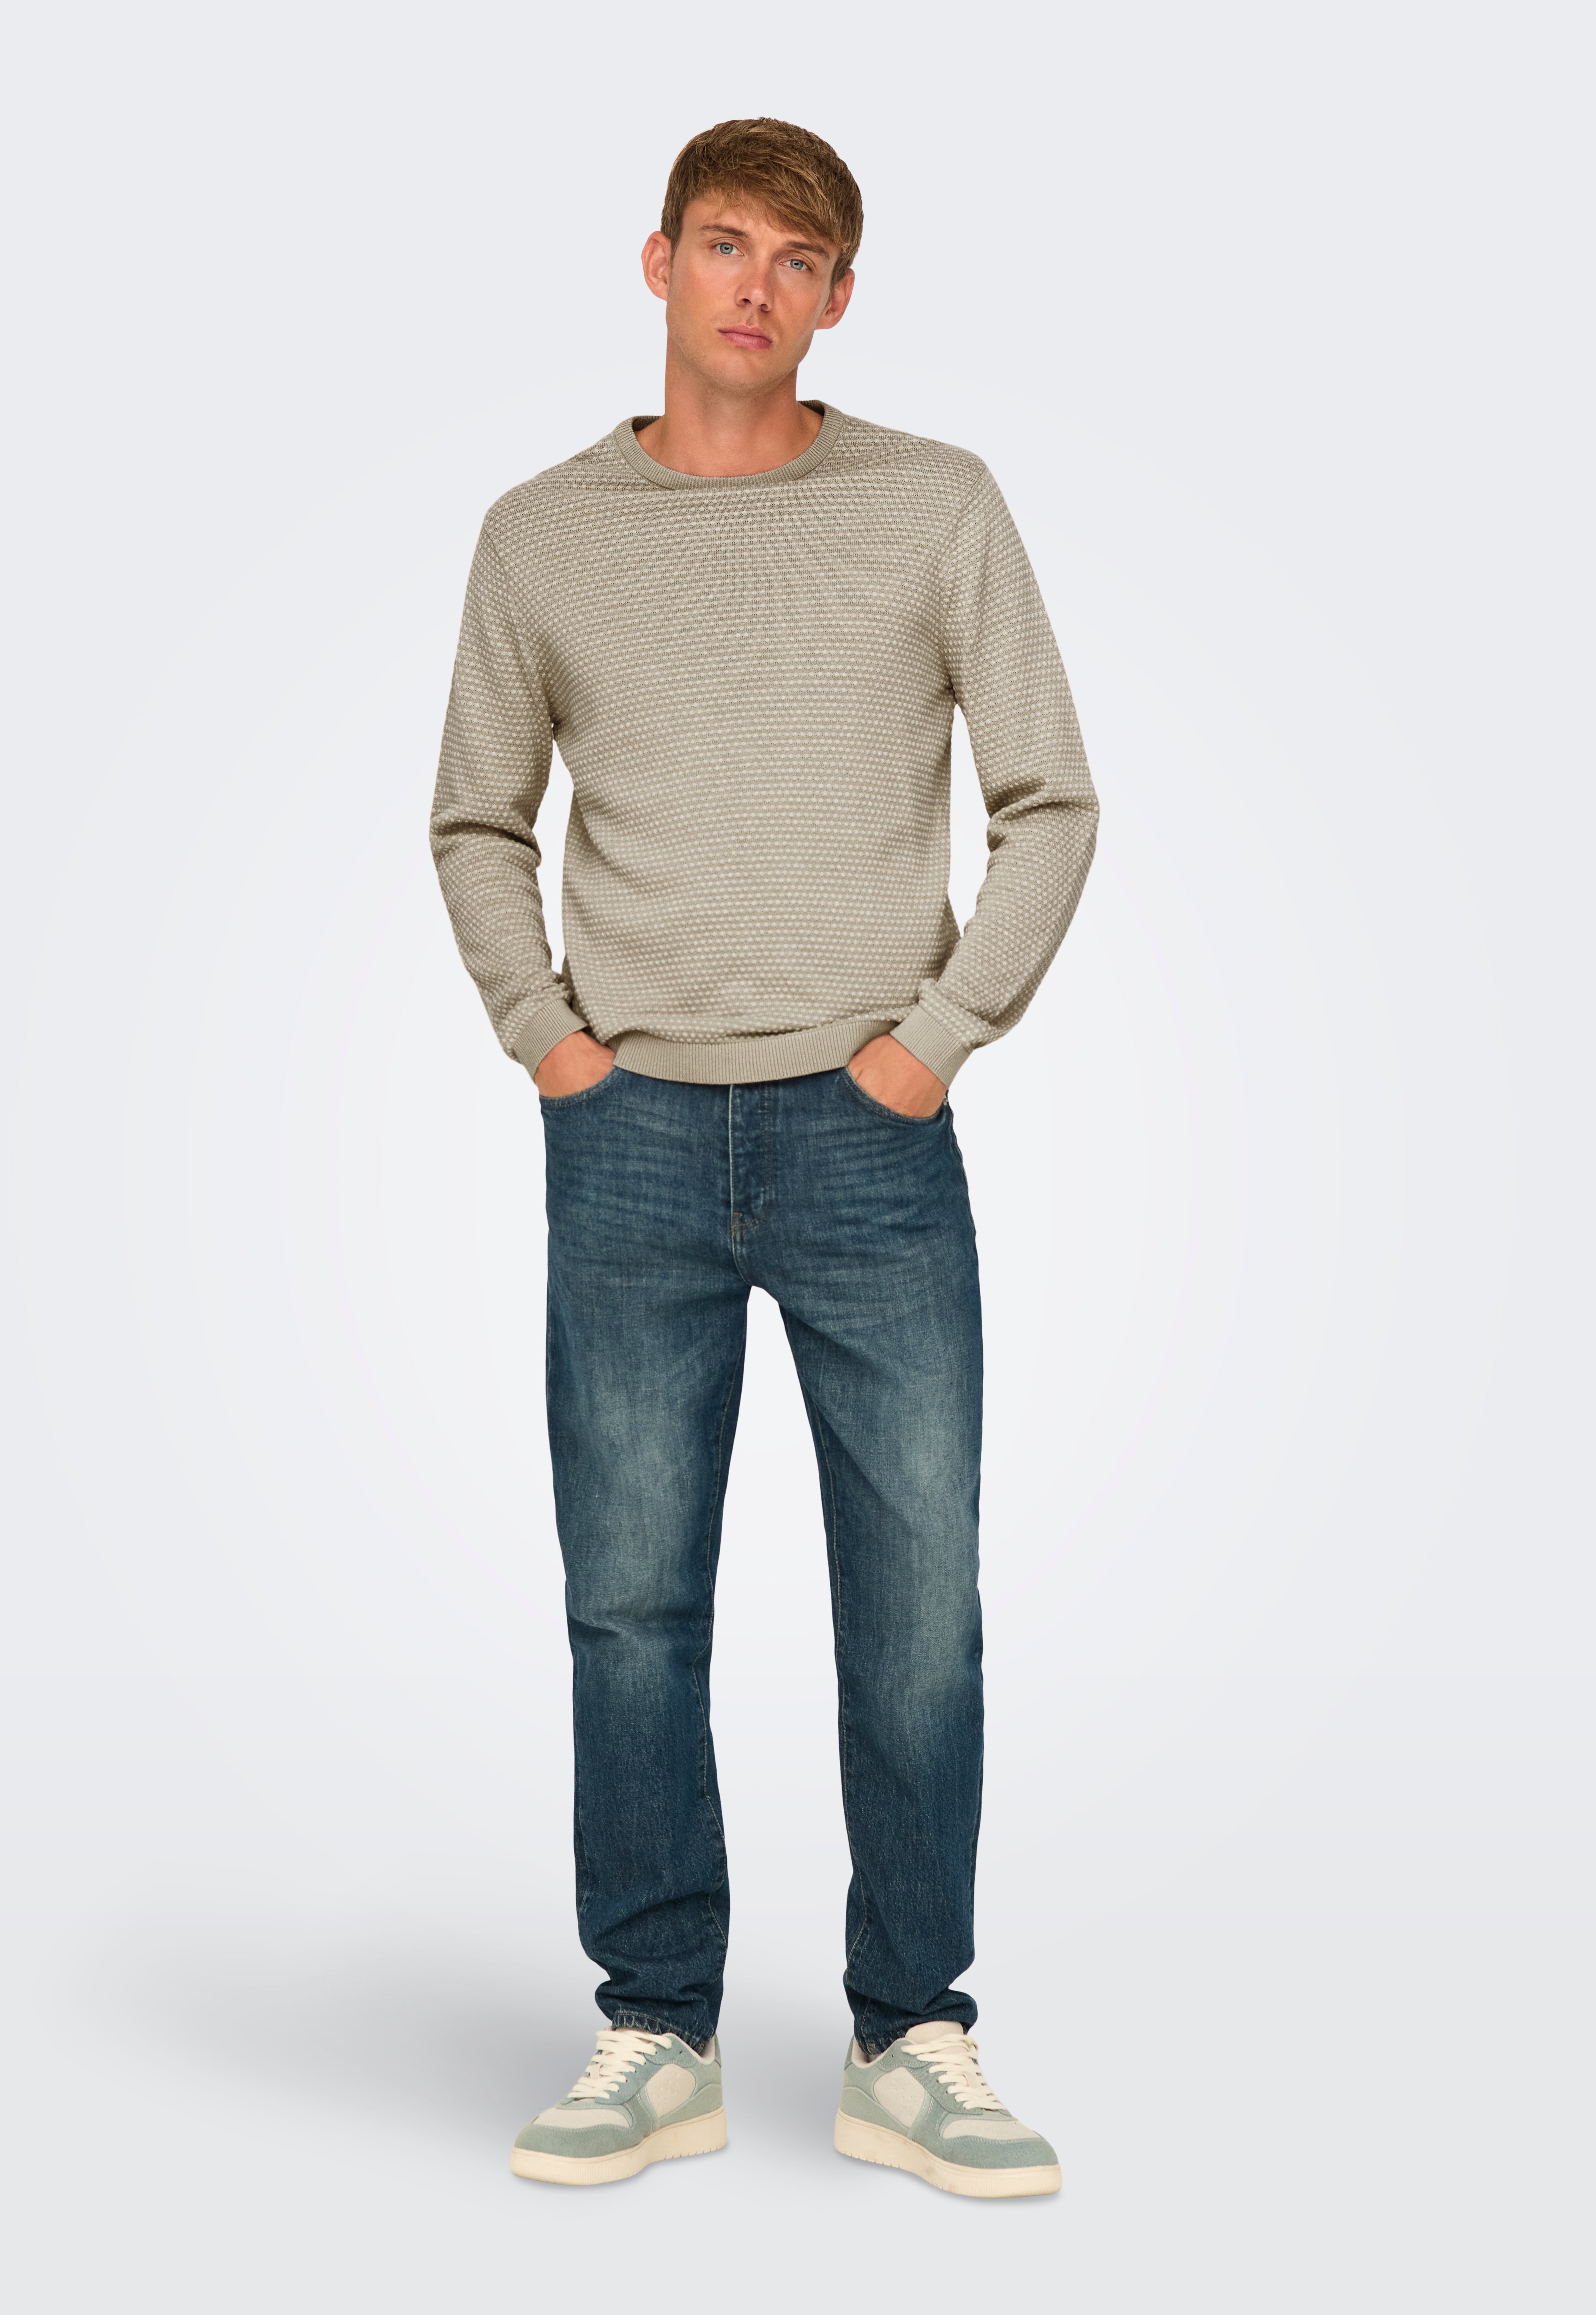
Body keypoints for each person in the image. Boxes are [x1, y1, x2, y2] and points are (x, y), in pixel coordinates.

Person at [430, 117, 1097, 2199]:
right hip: (627, 1133)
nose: (759, 288)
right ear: (659, 264)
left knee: (919, 1611)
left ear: (839, 297)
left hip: (868, 1136)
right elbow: (477, 817)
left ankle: (913, 2036)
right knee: (632, 1607)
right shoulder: (543, 533)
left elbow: (1053, 802)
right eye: (727, 246)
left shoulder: (935, 504)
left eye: (800, 261)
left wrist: (932, 1047)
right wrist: (551, 1043)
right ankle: (658, 2027)